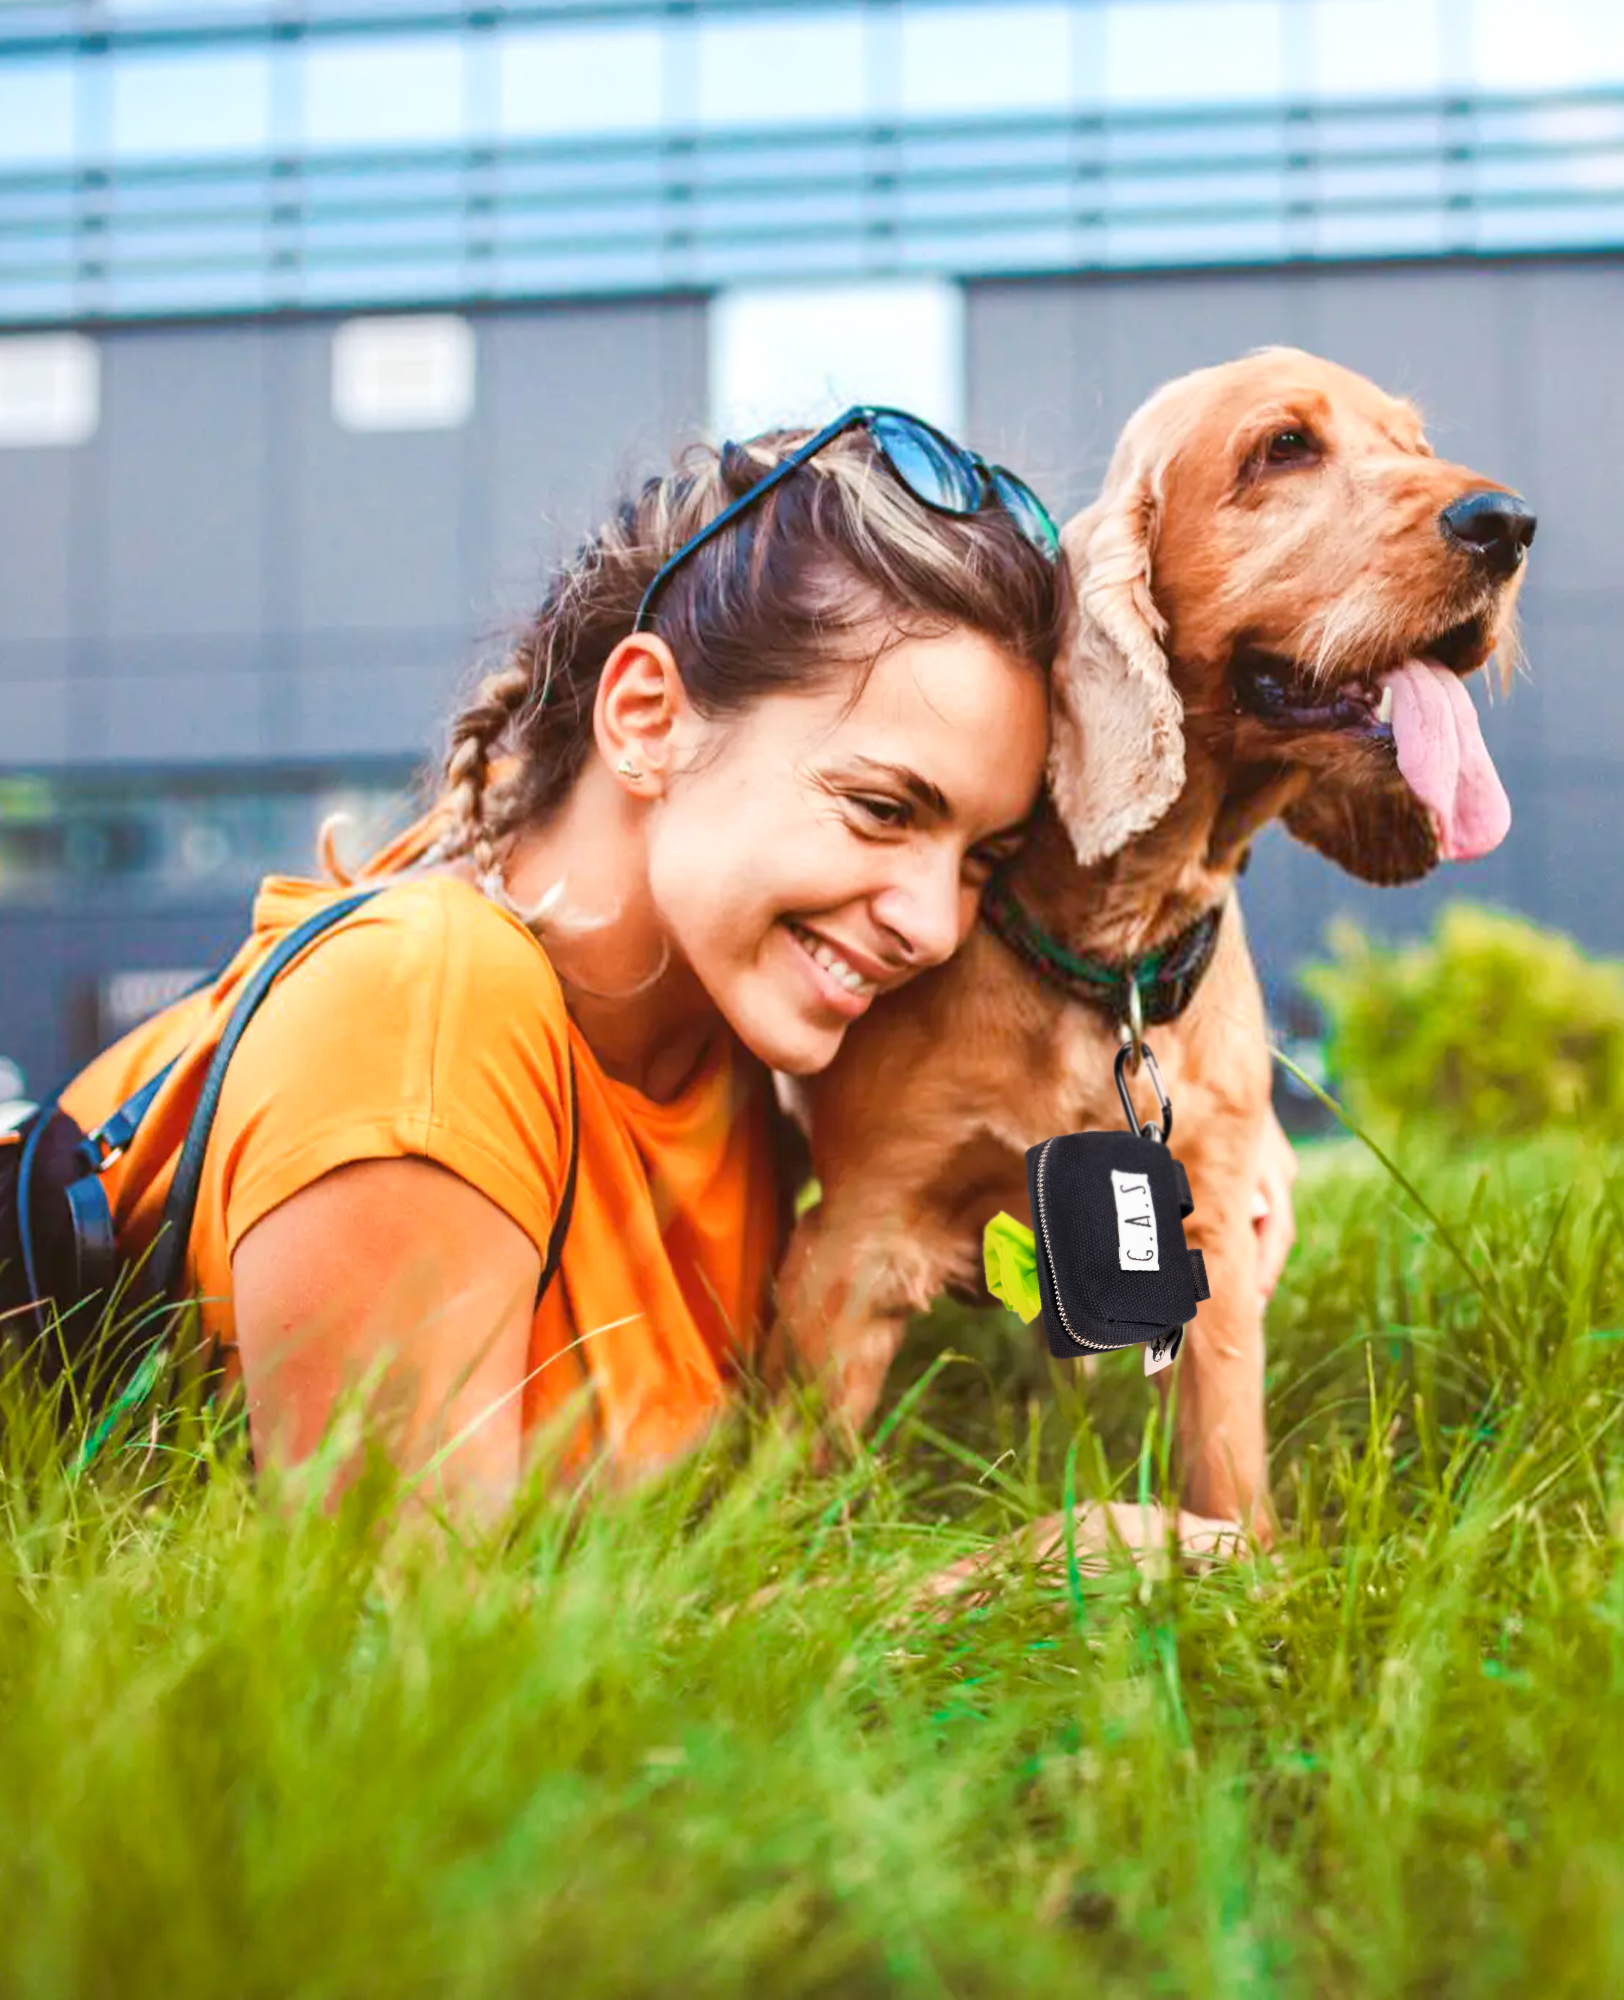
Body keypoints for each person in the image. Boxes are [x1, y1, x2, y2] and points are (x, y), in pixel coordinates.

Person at [60, 405, 1300, 1541]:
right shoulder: (423, 1010)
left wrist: (1211, 1138)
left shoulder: (741, 1033)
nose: (929, 922)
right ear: (646, 716)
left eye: (982, 856)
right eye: (877, 807)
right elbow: (408, 1675)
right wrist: (1029, 1571)